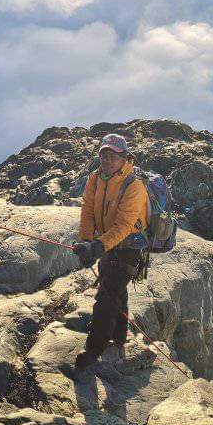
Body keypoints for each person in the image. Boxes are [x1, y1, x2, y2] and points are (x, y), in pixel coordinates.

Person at [71, 133, 149, 377]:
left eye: (112, 155)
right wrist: (86, 241)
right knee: (114, 289)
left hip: (129, 247)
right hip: (107, 244)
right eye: (104, 154)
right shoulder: (95, 178)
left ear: (124, 157)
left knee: (105, 297)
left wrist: (96, 247)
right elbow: (88, 212)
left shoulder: (134, 185)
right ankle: (119, 335)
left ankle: (94, 350)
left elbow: (125, 225)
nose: (107, 159)